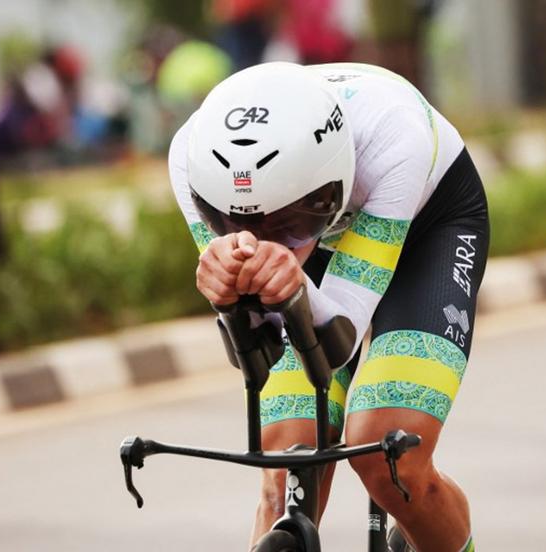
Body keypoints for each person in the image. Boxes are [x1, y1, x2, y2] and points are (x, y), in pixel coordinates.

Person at [168, 62, 487, 552]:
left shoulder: (394, 136)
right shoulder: (194, 160)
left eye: (288, 222)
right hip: (318, 246)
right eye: (233, 224)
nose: (259, 240)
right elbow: (259, 343)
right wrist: (229, 300)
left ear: (330, 185)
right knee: (287, 466)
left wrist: (292, 284)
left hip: (428, 227)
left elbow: (338, 333)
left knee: (390, 455)